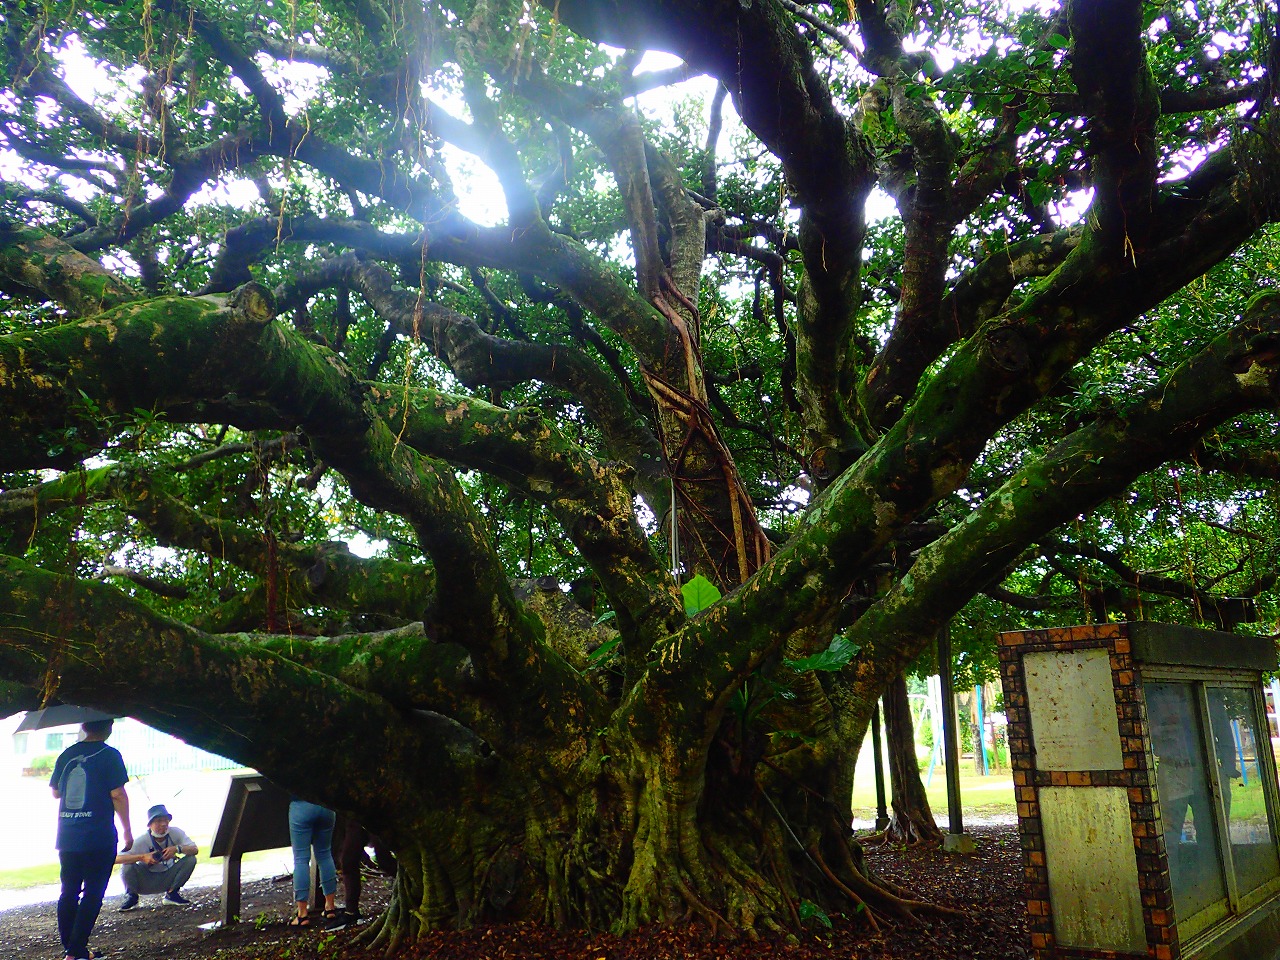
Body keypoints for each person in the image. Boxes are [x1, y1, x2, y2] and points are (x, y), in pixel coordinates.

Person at [49, 718, 132, 960]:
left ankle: (71, 949)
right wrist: (126, 829)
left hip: (68, 835)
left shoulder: (67, 754)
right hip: (98, 836)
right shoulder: (110, 755)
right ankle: (76, 950)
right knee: (93, 892)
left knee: (69, 891)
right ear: (110, 727)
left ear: (84, 726)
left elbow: (55, 792)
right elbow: (117, 794)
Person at [115, 803, 199, 910]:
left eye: (166, 820)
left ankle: (172, 894)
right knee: (126, 865)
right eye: (158, 821)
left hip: (168, 876)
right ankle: (132, 896)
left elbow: (195, 849)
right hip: (146, 879)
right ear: (150, 824)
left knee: (191, 859)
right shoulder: (142, 840)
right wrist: (142, 857)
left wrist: (177, 848)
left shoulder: (176, 833)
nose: (163, 824)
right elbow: (117, 859)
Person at [288, 798, 344, 931]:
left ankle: (302, 914)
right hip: (326, 807)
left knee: (301, 859)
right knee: (325, 855)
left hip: (301, 807)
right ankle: (330, 907)